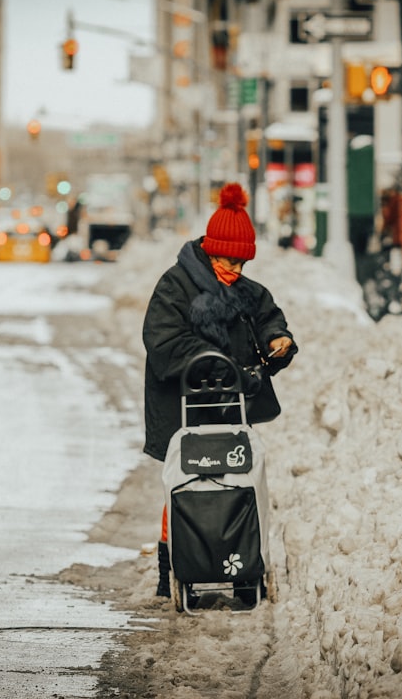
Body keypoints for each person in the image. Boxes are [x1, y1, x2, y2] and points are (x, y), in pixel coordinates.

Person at [142, 182, 297, 599]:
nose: (236, 270)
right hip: (182, 408)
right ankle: (172, 564)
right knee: (184, 485)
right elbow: (164, 343)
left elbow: (266, 316)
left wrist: (277, 339)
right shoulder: (174, 287)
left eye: (243, 262)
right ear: (211, 249)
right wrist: (220, 364)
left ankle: (241, 559)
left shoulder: (245, 291)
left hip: (230, 409)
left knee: (235, 483)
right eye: (229, 260)